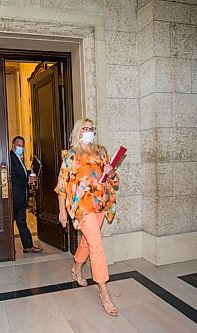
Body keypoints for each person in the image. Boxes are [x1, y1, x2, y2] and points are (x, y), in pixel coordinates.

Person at [55, 118, 119, 316]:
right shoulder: (71, 156)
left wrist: (111, 171)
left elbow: (112, 179)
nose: (89, 132)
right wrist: (62, 211)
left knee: (88, 242)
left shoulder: (102, 151)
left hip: (100, 203)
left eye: (92, 129)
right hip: (81, 207)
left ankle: (76, 268)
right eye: (85, 129)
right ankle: (104, 292)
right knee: (97, 245)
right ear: (78, 132)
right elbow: (62, 187)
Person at [10, 136, 43, 253]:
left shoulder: (19, 158)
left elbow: (21, 174)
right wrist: (27, 181)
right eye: (18, 144)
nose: (21, 147)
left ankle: (28, 246)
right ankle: (6, 248)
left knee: (22, 222)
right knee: (10, 222)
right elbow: (12, 177)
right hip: (15, 197)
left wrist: (31, 171)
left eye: (22, 145)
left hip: (22, 197)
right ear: (13, 144)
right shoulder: (11, 158)